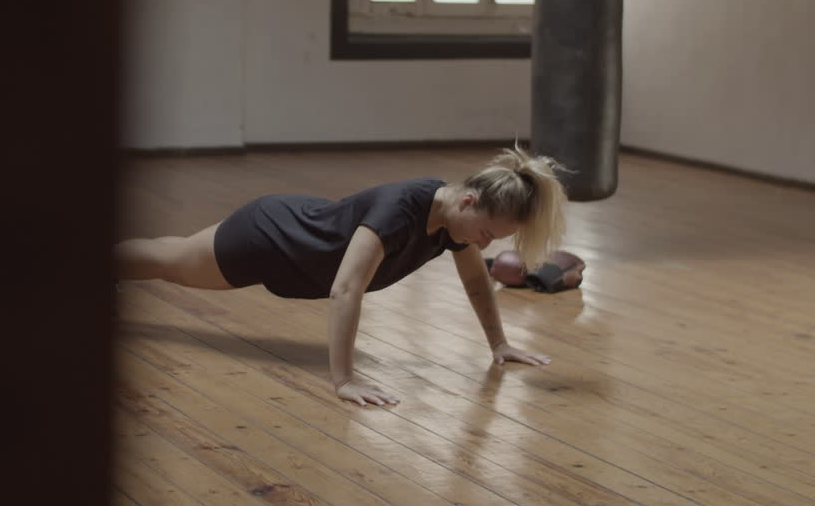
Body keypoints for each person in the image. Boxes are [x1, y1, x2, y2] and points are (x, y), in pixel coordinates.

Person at [115, 146, 568, 407]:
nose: (483, 247)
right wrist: (344, 380)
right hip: (271, 239)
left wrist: (499, 344)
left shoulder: (453, 223)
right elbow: (346, 289)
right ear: (468, 201)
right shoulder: (399, 210)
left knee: (167, 253)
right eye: (486, 234)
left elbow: (475, 283)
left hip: (294, 240)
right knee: (168, 262)